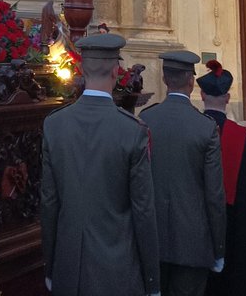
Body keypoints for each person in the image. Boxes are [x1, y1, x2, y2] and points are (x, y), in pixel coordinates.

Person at [41, 32, 160, 296]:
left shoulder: (54, 124)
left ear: (81, 69)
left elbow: (49, 202)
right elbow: (143, 210)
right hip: (117, 270)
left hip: (67, 267)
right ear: (117, 72)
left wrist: (50, 267)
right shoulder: (131, 130)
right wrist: (152, 279)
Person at [140, 49, 226, 296]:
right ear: (191, 81)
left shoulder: (145, 119)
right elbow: (215, 196)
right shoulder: (205, 128)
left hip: (150, 241)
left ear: (165, 79)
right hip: (192, 243)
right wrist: (219, 248)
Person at [196, 60, 246, 296]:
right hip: (236, 237)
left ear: (201, 94)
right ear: (228, 98)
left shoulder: (194, 131)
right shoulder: (243, 142)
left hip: (197, 231)